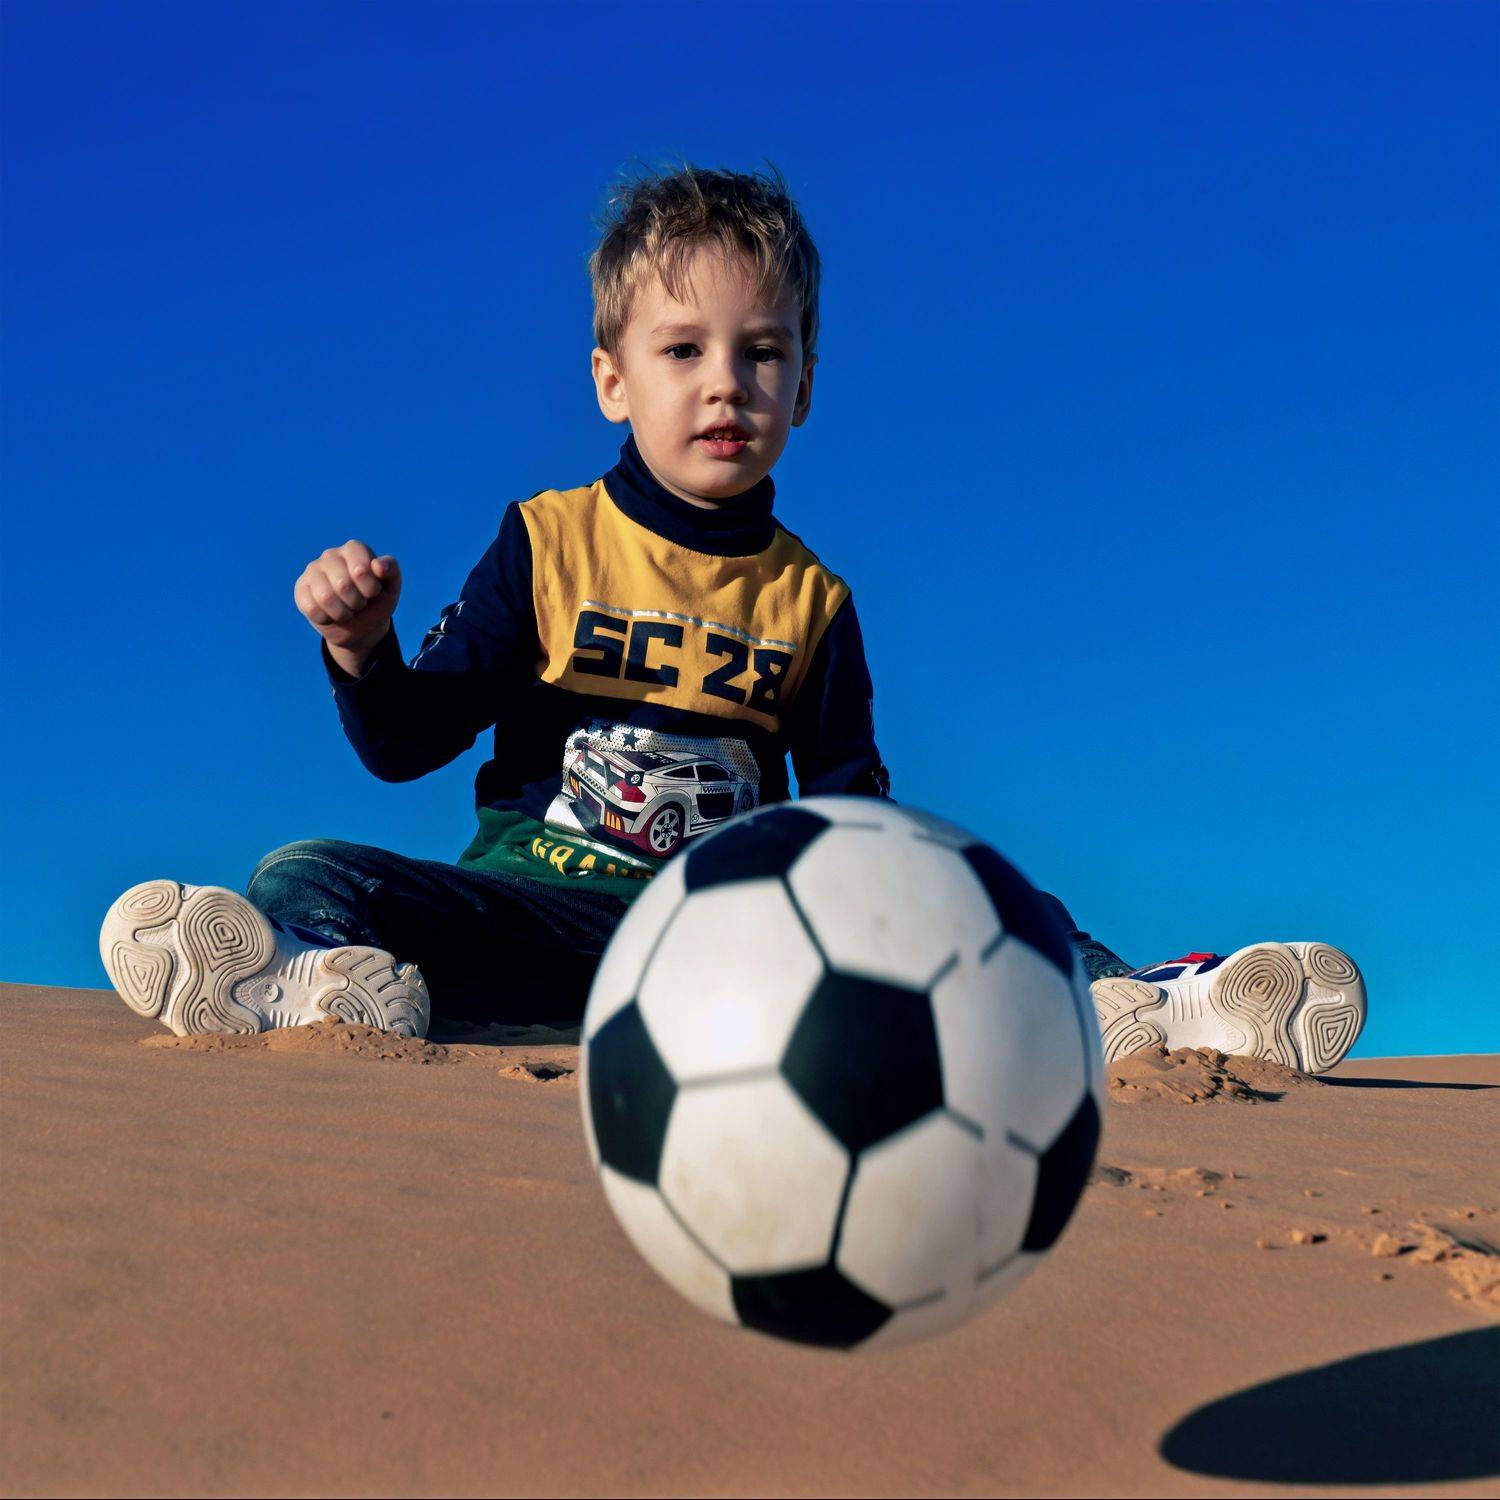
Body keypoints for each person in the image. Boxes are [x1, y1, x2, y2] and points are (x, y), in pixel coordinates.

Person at [98, 164, 1366, 1073]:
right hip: (542, 923)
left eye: (762, 352)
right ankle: (306, 981)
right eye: (683, 350)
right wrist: (360, 647)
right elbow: (404, 744)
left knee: (993, 893)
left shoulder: (813, 601)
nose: (726, 385)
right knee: (312, 870)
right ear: (612, 380)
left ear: (803, 386)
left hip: (738, 947)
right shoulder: (547, 542)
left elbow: (851, 815)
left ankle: (1154, 1010)